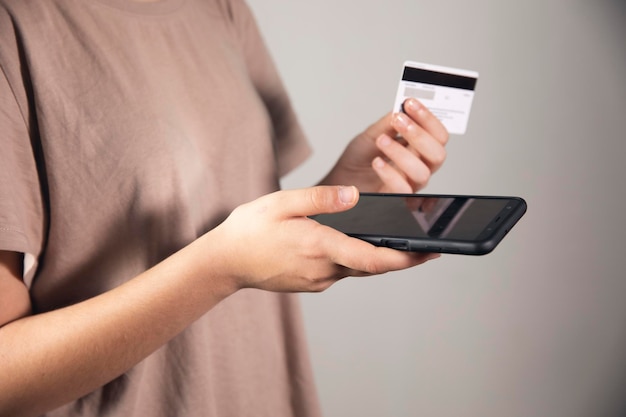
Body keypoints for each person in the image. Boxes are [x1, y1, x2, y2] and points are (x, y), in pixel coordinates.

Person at [0, 0, 448, 415]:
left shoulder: (220, 8)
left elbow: (242, 224)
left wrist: (345, 191)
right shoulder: (15, 25)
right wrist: (218, 270)